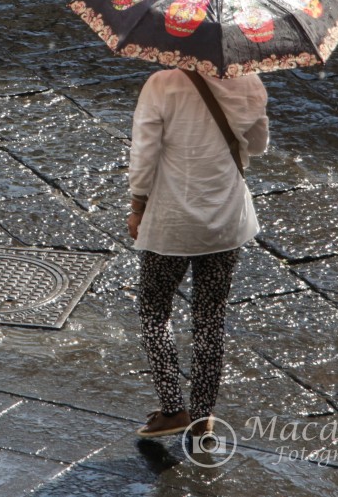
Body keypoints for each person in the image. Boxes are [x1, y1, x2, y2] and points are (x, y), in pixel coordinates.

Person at [126, 68, 269, 438]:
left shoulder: (161, 83)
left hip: (172, 221)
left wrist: (137, 204)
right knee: (210, 318)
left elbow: (145, 151)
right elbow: (258, 145)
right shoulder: (249, 81)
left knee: (155, 310)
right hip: (225, 219)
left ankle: (172, 408)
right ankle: (203, 415)